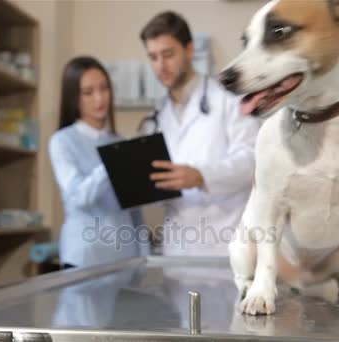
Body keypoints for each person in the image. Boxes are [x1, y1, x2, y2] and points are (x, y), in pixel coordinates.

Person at [139, 11, 260, 256]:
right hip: (178, 248)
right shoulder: (157, 117)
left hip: (224, 244)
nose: (160, 66)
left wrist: (201, 176)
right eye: (153, 57)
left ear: (189, 50)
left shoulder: (227, 98)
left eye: (168, 54)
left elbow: (252, 161)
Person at [49, 56, 150, 269]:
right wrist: (113, 162)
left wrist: (144, 256)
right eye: (88, 92)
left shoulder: (120, 143)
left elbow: (135, 212)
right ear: (73, 98)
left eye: (104, 88)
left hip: (124, 260)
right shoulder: (62, 142)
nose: (99, 98)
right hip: (83, 258)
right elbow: (78, 196)